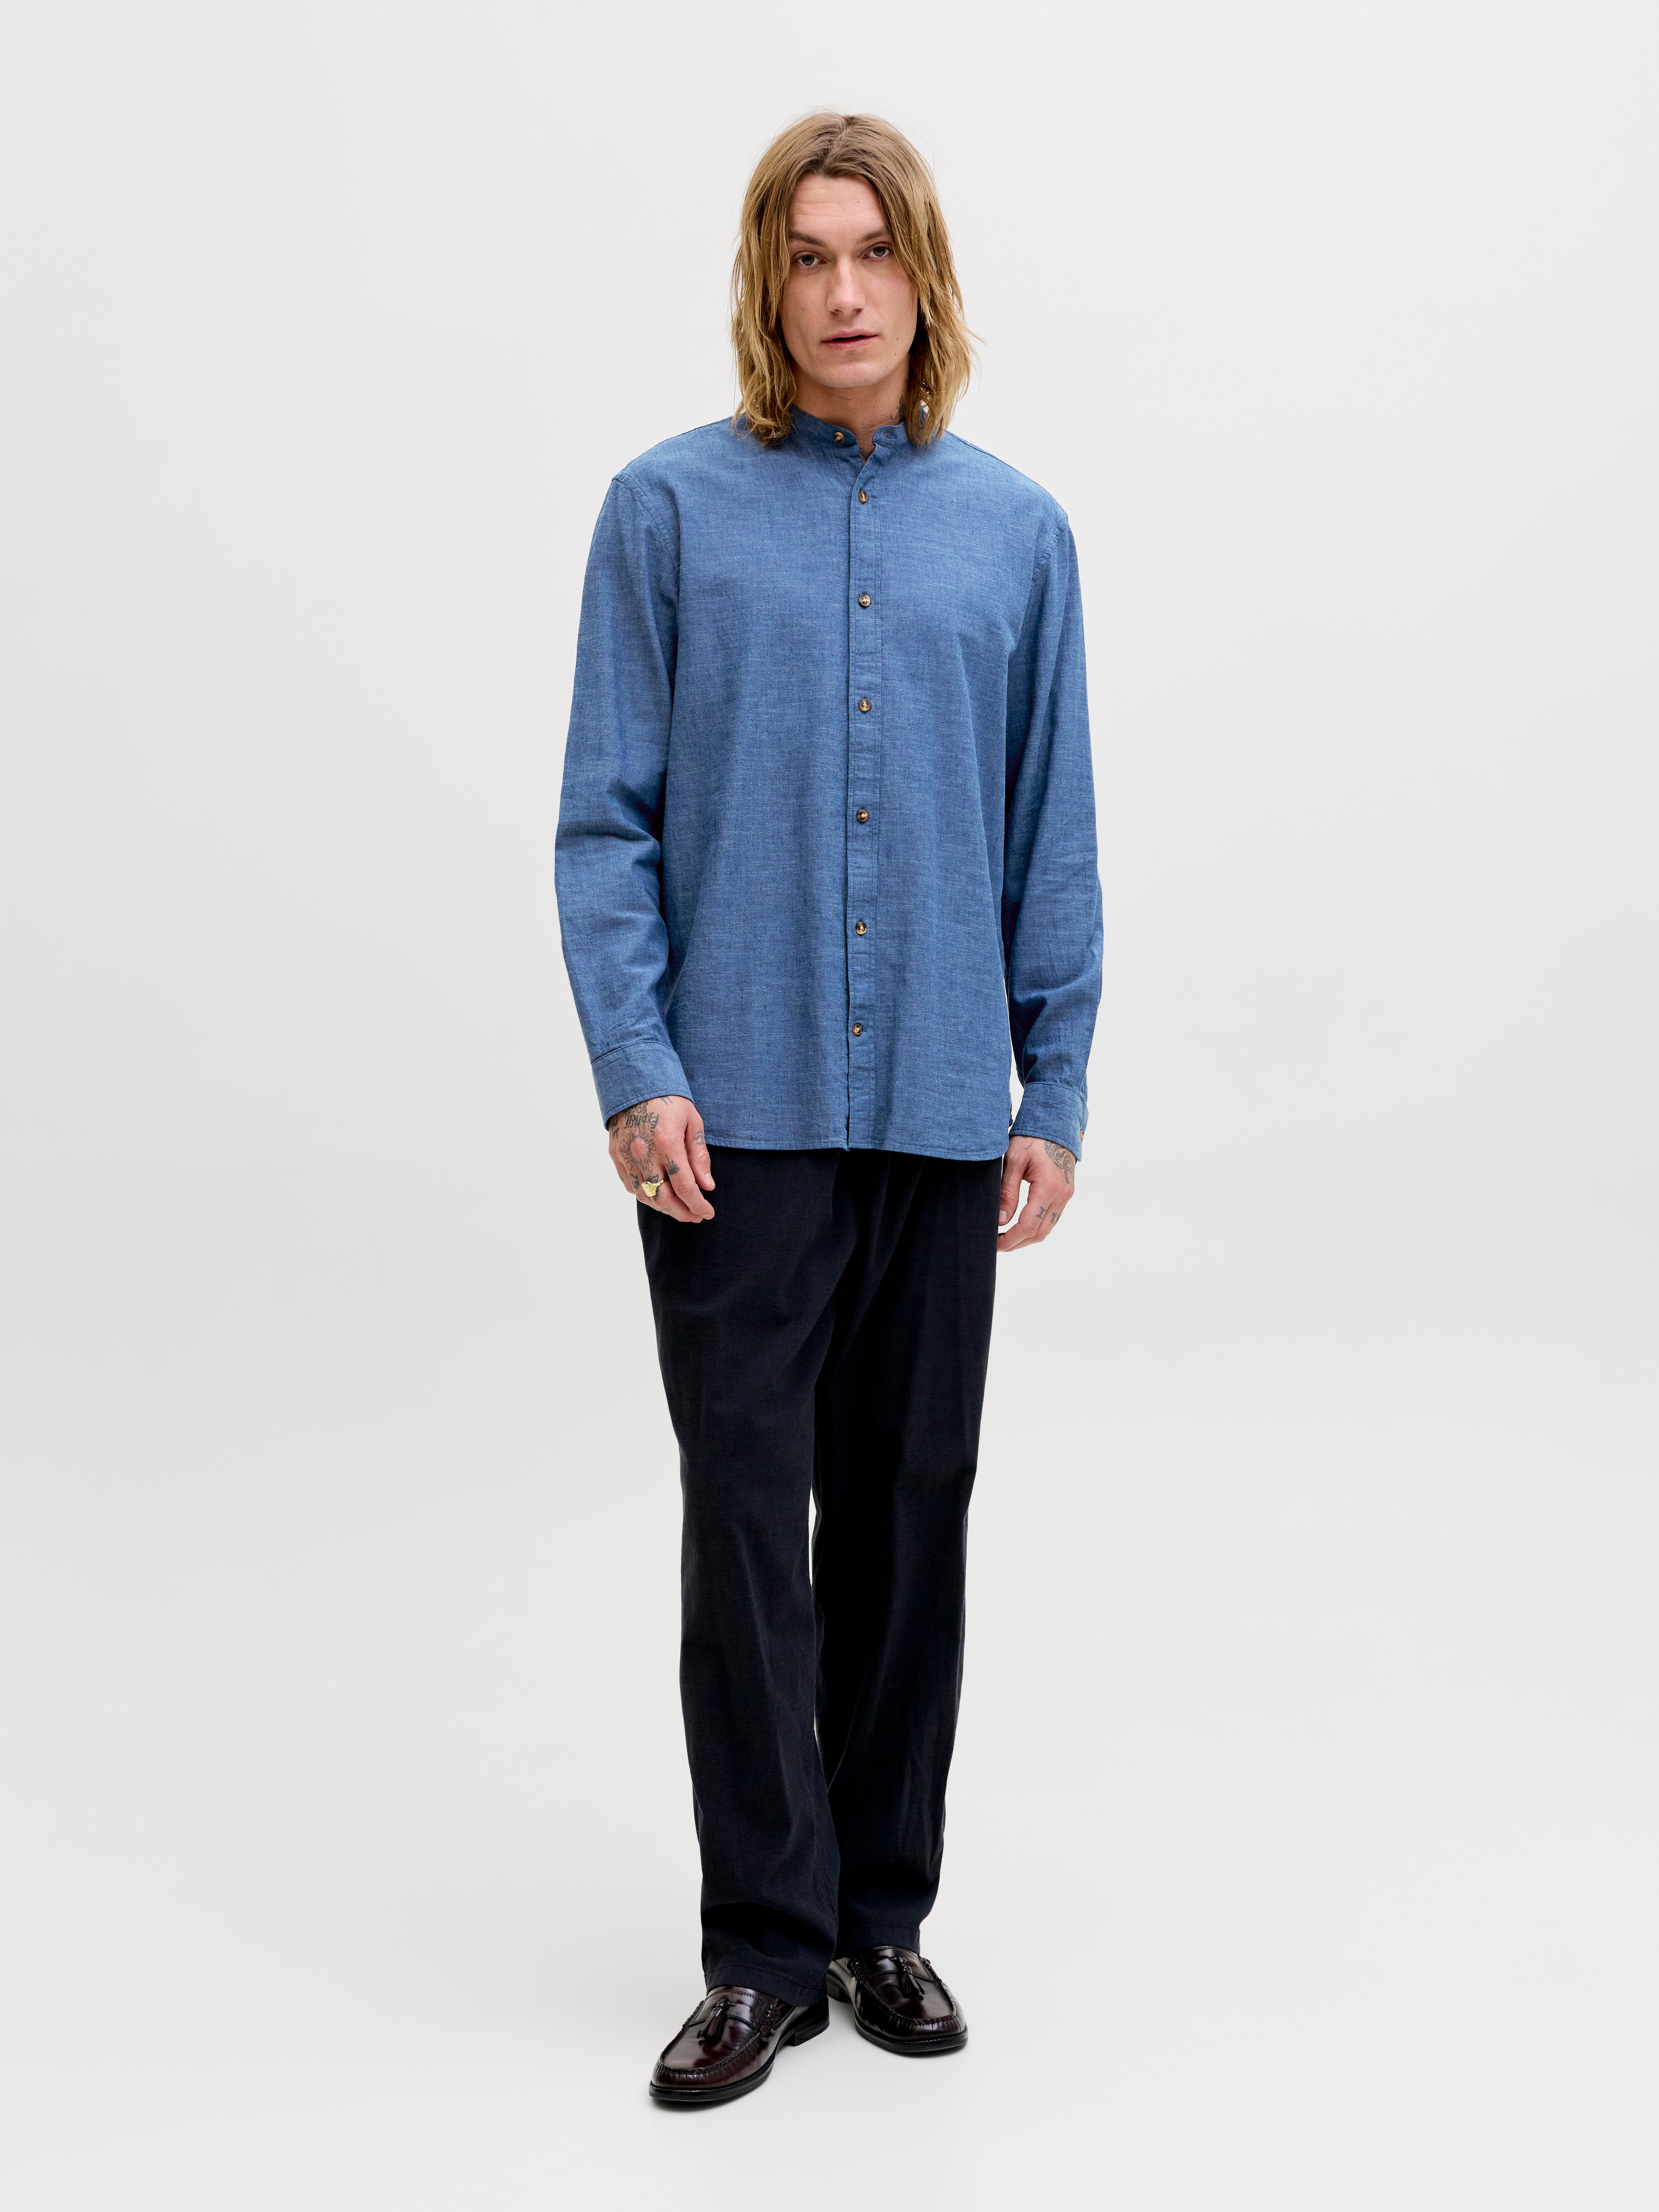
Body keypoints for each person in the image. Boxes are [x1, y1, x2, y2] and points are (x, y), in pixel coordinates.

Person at [555, 110, 1102, 2106]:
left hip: (946, 1106)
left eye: (872, 253)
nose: (842, 291)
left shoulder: (1017, 535)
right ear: (765, 285)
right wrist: (639, 1069)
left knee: (906, 1514)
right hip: (739, 1113)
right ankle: (762, 1950)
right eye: (807, 256)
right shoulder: (666, 513)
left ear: (922, 277)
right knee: (743, 1527)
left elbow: (1051, 831)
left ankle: (882, 1916)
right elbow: (604, 824)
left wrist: (1054, 1077)